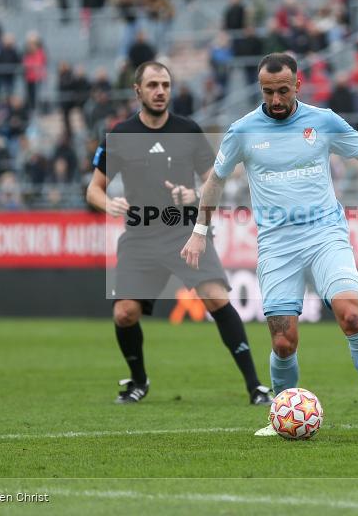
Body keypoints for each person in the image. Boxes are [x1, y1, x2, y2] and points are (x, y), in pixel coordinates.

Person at [179, 53, 358, 438]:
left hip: (325, 235)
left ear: (298, 86)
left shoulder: (323, 121)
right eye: (268, 92)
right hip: (277, 246)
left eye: (283, 91)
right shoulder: (242, 131)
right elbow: (215, 181)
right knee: (283, 341)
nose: (275, 99)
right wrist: (199, 231)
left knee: (351, 317)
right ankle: (281, 417)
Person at [86, 61, 272, 406]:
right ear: (137, 91)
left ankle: (255, 387)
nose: (160, 91)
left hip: (185, 231)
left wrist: (194, 195)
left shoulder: (188, 130)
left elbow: (215, 181)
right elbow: (93, 189)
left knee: (216, 298)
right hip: (140, 236)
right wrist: (107, 203)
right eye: (153, 85)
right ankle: (138, 381)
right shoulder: (121, 135)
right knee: (124, 313)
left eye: (166, 85)